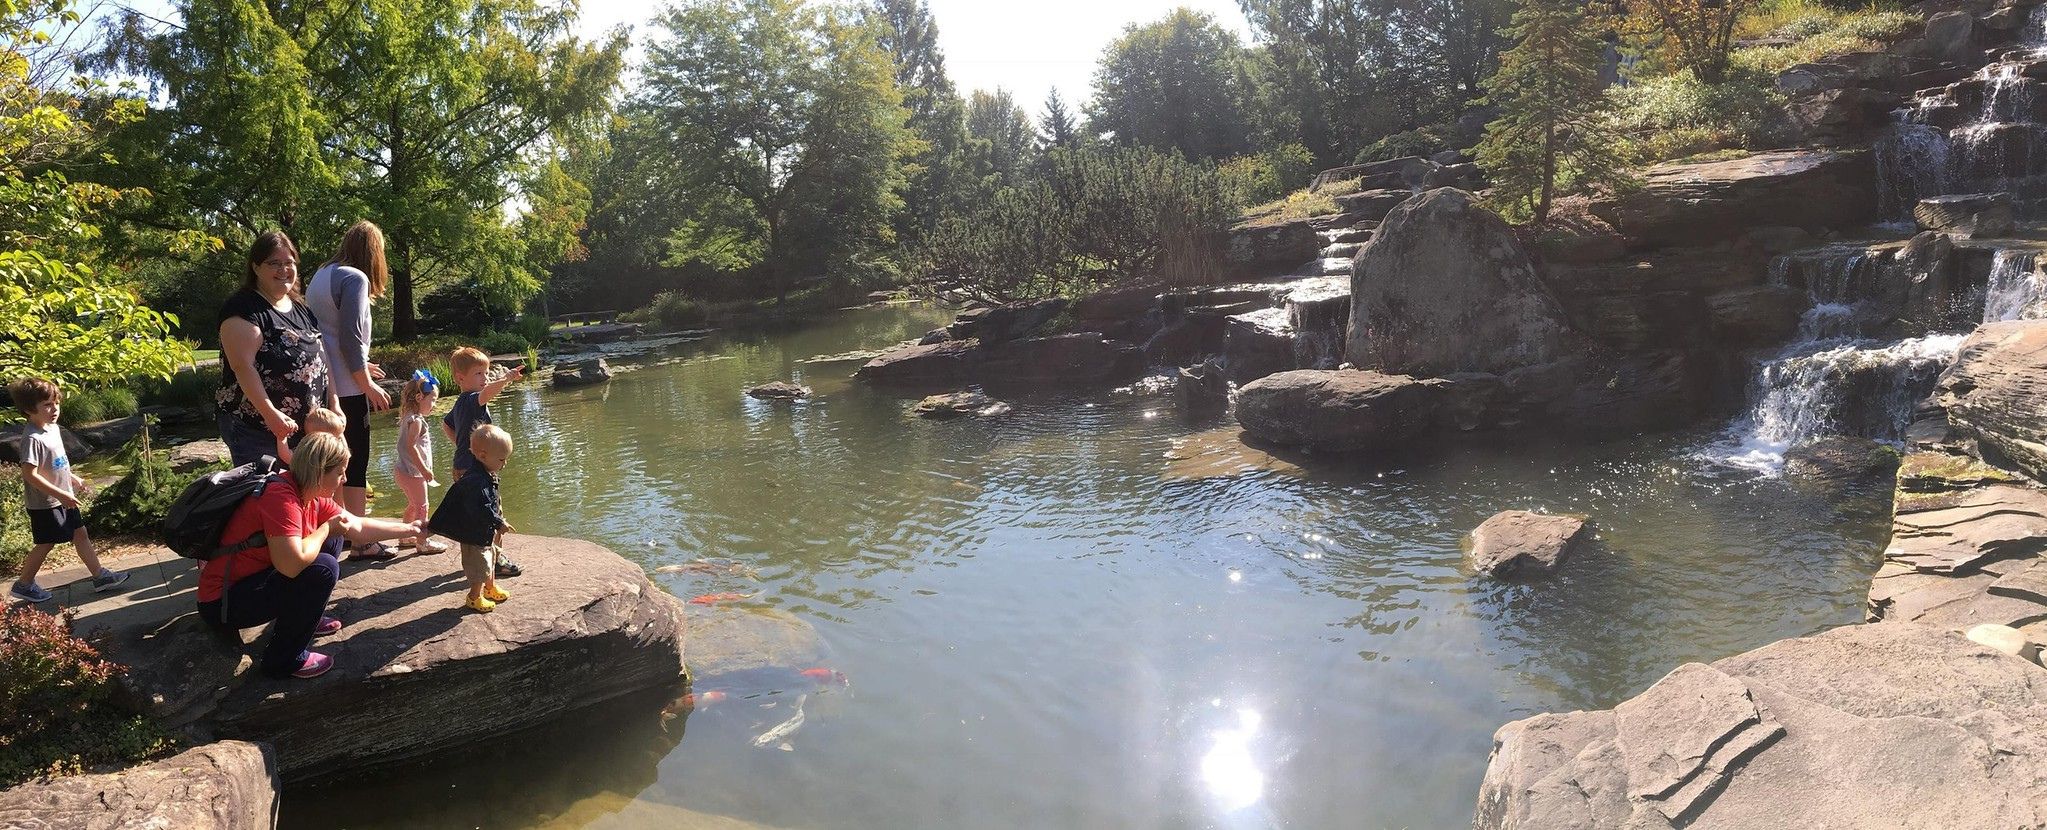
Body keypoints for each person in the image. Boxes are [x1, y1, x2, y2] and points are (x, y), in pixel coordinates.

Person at [195, 432, 421, 679]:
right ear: (319, 471)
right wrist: (325, 529)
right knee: (323, 568)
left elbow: (356, 526)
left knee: (334, 538)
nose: (344, 479)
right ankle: (284, 660)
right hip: (223, 604)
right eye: (339, 472)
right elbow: (290, 566)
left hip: (249, 585)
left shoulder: (307, 492)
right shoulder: (281, 498)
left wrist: (412, 528)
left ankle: (306, 615)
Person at [306, 221, 391, 560]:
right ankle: (362, 541)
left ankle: (336, 533)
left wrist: (361, 365)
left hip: (326, 383)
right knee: (354, 463)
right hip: (348, 389)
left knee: (330, 463)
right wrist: (365, 382)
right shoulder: (355, 278)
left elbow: (326, 332)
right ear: (374, 252)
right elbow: (349, 337)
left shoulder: (322, 273)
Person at [217, 231, 335, 468]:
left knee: (308, 500)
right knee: (270, 498)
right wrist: (271, 415)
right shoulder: (243, 308)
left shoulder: (301, 309)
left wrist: (335, 404)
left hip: (306, 430)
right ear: (256, 267)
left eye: (289, 263)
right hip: (256, 428)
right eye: (274, 263)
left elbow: (323, 359)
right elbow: (242, 366)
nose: (284, 270)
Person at [7, 379, 129, 603]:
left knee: (80, 534)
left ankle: (100, 576)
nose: (54, 409)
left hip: (63, 498)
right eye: (47, 405)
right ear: (28, 409)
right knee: (46, 542)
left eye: (56, 403)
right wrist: (61, 494)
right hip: (46, 503)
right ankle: (23, 584)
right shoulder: (32, 438)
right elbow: (30, 474)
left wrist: (72, 479)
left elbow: (56, 463)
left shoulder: (52, 429)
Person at [441, 347, 522, 576]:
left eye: (486, 373)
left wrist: (462, 445)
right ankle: (495, 559)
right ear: (460, 378)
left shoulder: (459, 403)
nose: (485, 378)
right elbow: (486, 395)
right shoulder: (470, 400)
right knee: (491, 512)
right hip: (476, 470)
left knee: (475, 516)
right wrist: (505, 378)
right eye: (479, 374)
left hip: (461, 466)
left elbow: (446, 425)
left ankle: (482, 556)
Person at [429, 424, 513, 613]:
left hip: (484, 533)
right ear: (483, 456)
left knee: (491, 559)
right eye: (502, 459)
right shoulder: (476, 481)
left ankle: (490, 588)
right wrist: (499, 522)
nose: (504, 464)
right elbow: (481, 508)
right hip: (474, 535)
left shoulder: (486, 473)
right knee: (479, 567)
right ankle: (474, 597)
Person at [392, 371, 446, 554]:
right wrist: (424, 470)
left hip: (402, 470)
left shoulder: (407, 417)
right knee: (423, 507)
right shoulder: (416, 422)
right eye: (433, 400)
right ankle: (423, 543)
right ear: (419, 397)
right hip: (414, 473)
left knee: (413, 505)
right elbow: (411, 447)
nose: (434, 405)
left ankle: (405, 535)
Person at [276, 406, 346, 466]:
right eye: (333, 438)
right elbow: (287, 456)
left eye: (338, 438)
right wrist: (282, 437)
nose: (337, 442)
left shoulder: (336, 452)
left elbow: (346, 455)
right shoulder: (308, 453)